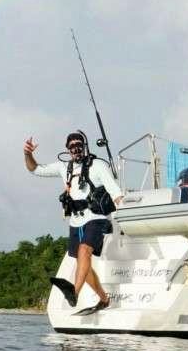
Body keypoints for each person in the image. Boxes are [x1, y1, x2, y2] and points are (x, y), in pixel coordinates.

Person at [24, 130, 120, 315]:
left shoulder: (98, 165)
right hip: (76, 221)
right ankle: (104, 299)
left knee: (84, 251)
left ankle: (73, 292)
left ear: (84, 147)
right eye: (72, 146)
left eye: (79, 145)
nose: (76, 148)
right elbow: (34, 169)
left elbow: (114, 190)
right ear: (67, 149)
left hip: (96, 217)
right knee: (83, 263)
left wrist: (122, 205)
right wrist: (28, 153)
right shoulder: (64, 167)